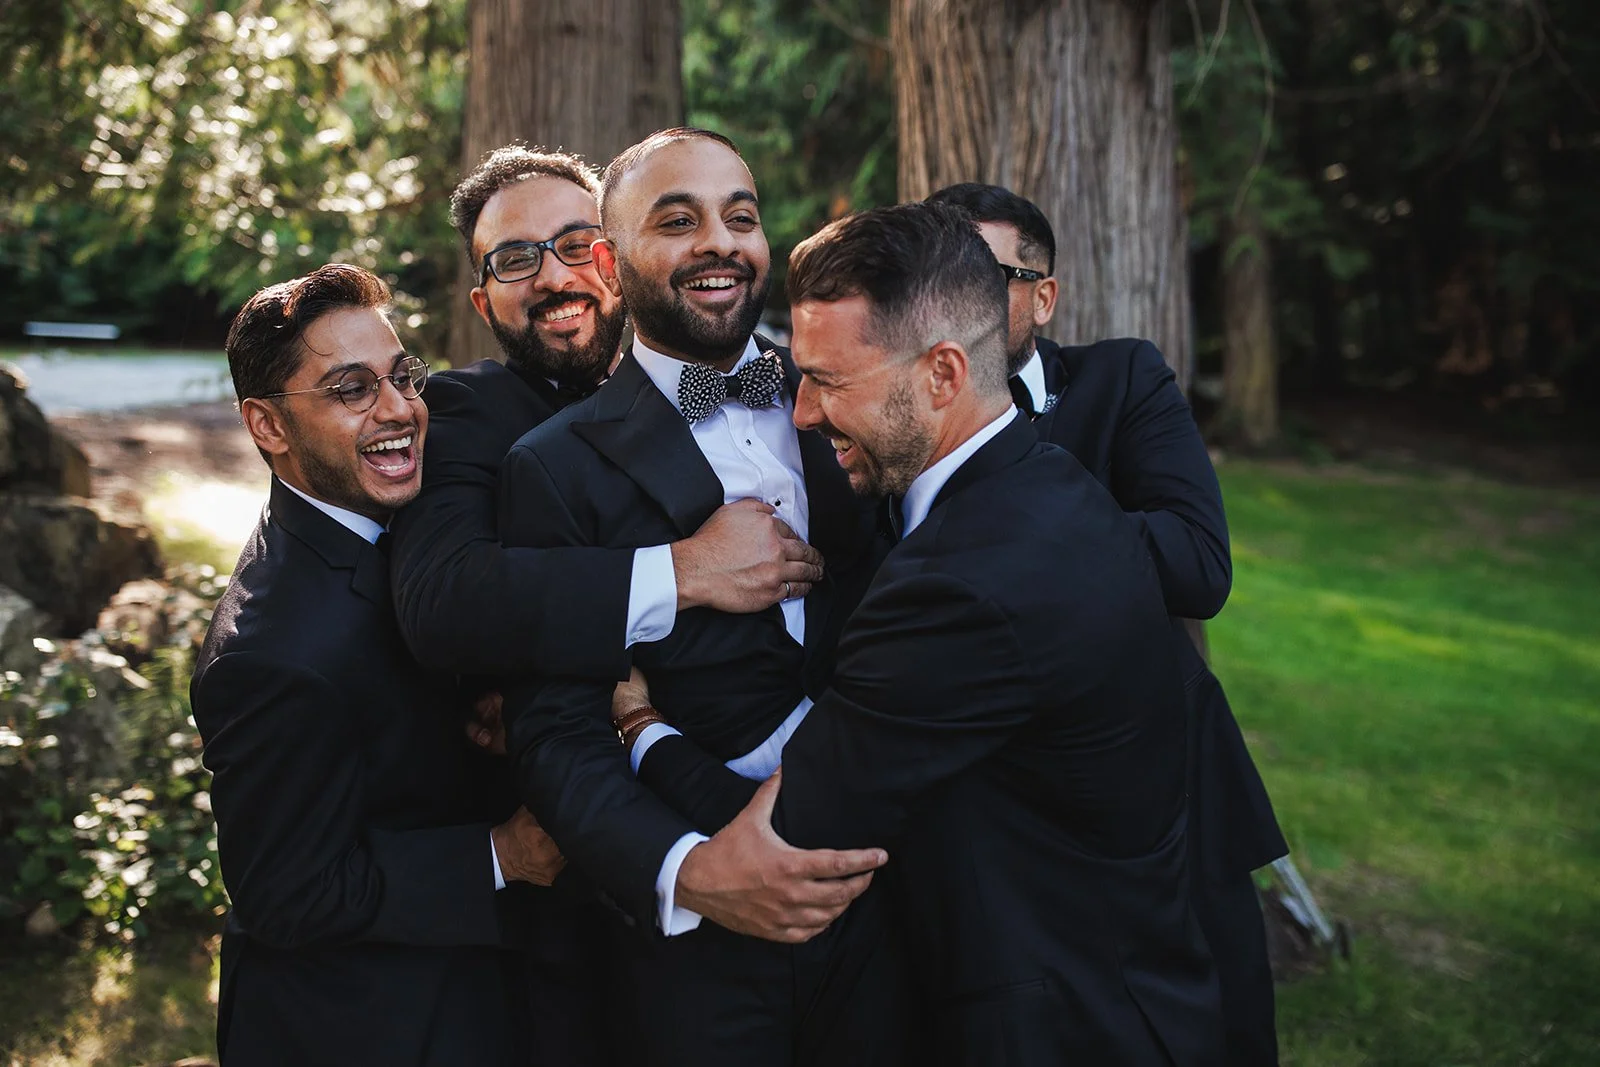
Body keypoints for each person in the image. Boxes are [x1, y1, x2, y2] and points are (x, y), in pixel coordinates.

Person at [626, 201, 1225, 1064]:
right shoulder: (1055, 482)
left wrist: (640, 729)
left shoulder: (956, 584)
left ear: (942, 374)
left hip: (1052, 1023)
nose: (799, 412)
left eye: (828, 380)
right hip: (1140, 981)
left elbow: (798, 839)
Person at [495, 128, 900, 1067]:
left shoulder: (855, 393)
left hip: (893, 905)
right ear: (608, 260)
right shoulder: (554, 466)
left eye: (741, 217)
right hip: (695, 950)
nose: (719, 242)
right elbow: (555, 733)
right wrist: (690, 873)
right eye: (677, 222)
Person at [927, 181, 1287, 1065]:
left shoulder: (1121, 378)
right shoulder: (890, 413)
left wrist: (1016, 526)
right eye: (933, 273)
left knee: (1215, 1030)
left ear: (1042, 296)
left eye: (985, 273)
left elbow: (1198, 562)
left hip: (1166, 800)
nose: (951, 299)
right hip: (983, 819)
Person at [191, 264, 563, 1066]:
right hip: (358, 1026)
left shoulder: (385, 527)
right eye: (352, 389)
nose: (401, 410)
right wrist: (504, 852)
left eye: (403, 376)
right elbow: (289, 891)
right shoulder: (266, 656)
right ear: (268, 426)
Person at [390, 145, 823, 683]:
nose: (554, 278)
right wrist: (684, 571)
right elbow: (443, 602)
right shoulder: (466, 411)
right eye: (517, 259)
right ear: (484, 304)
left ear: (612, 262)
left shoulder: (803, 380)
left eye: (575, 245)